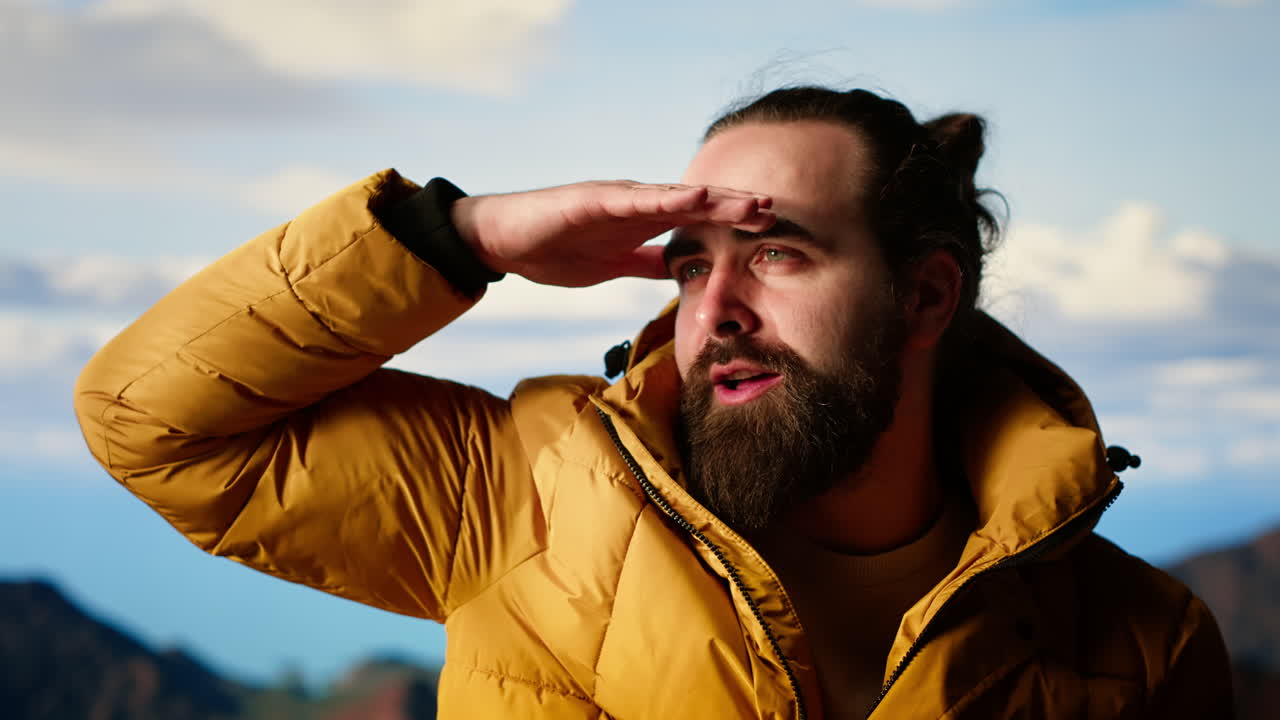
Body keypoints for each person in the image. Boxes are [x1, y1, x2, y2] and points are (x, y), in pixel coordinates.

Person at [74, 86, 1233, 719]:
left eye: (772, 253)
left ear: (926, 294)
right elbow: (152, 420)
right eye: (688, 263)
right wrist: (459, 233)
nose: (712, 306)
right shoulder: (518, 485)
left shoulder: (1141, 644)